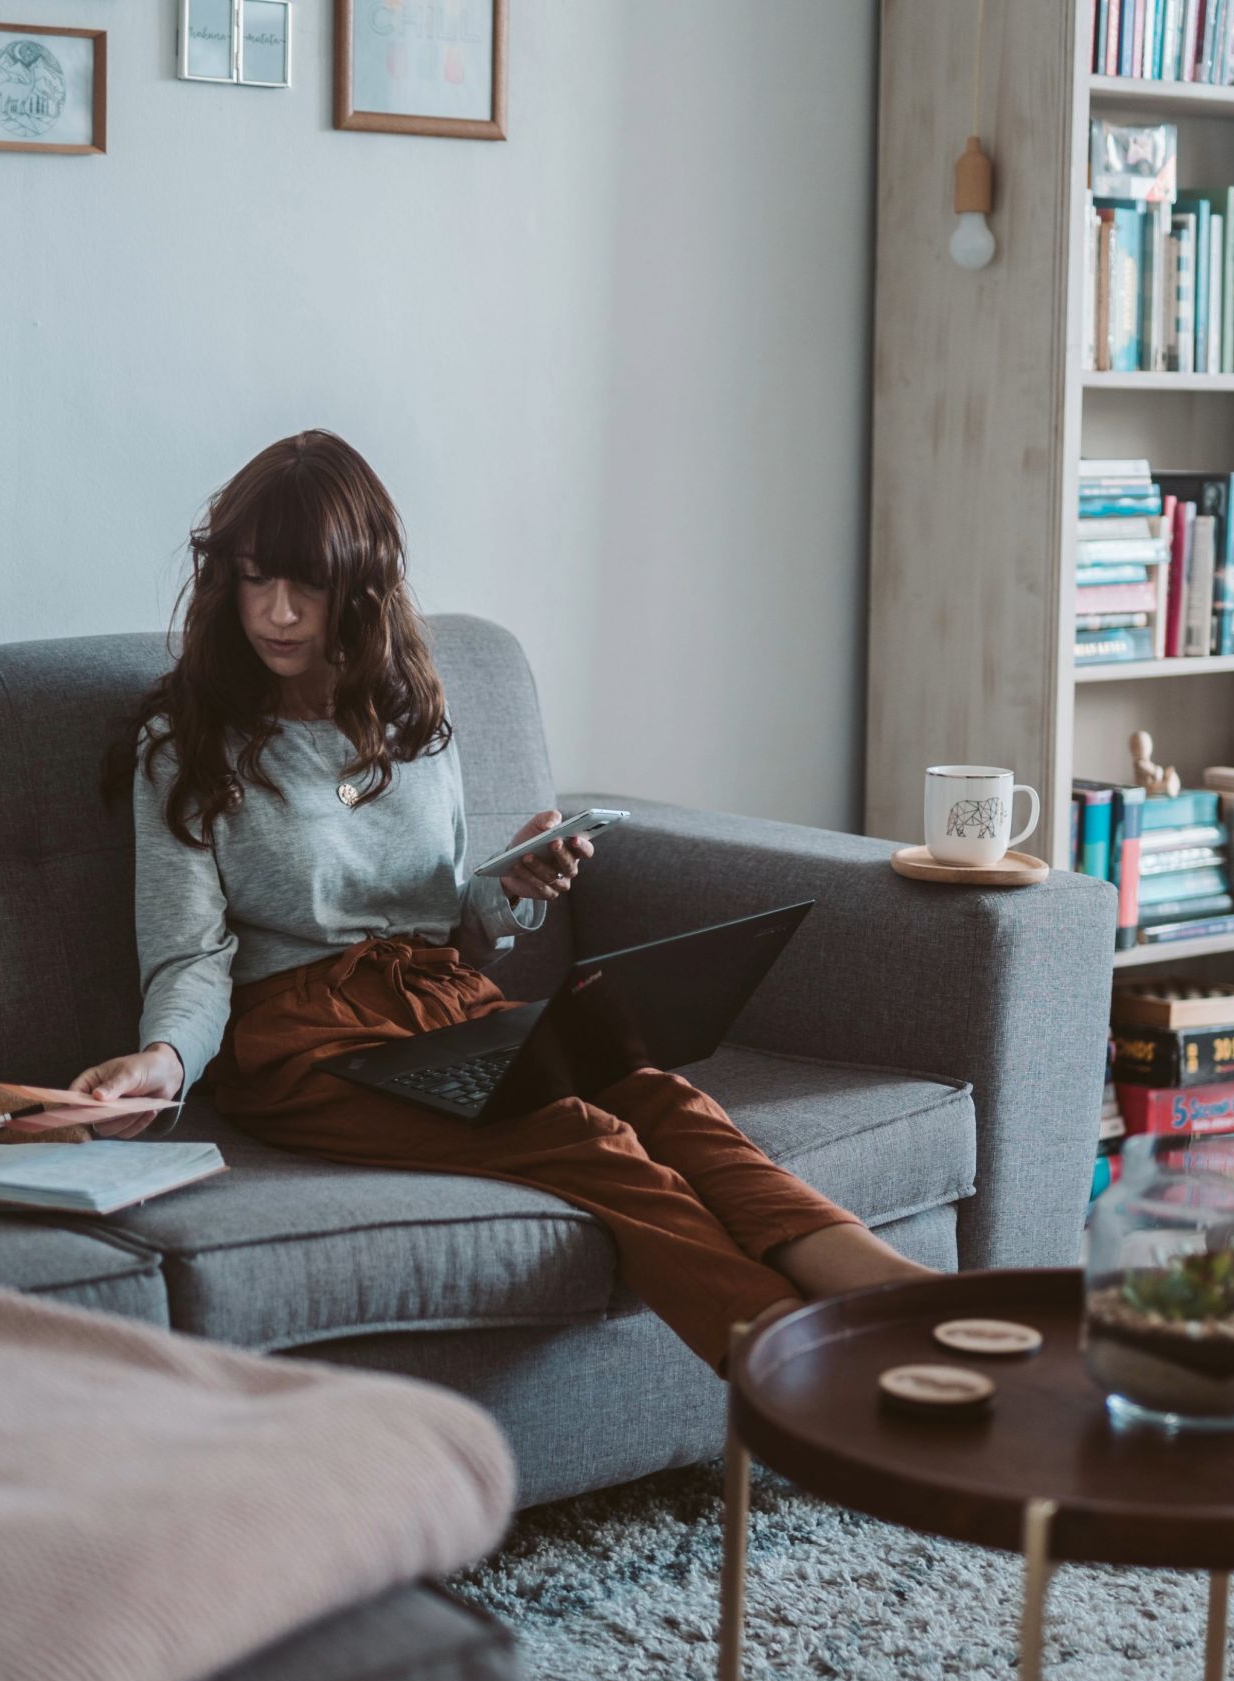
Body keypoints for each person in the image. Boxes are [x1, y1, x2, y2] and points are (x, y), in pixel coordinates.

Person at [67, 431, 931, 1367]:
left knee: (657, 1094)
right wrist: (163, 1060)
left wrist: (507, 887)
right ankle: (797, 1366)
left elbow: (440, 920)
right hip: (305, 1043)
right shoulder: (187, 745)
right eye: (253, 579)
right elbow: (193, 956)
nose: (276, 613)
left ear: (359, 585)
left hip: (444, 1001)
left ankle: (896, 1294)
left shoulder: (411, 722)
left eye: (305, 586)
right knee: (581, 1135)